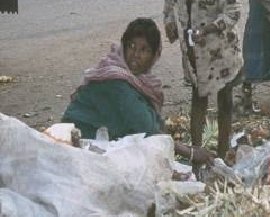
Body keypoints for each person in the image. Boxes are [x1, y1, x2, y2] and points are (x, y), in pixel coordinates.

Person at [62, 18, 215, 165]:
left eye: (144, 50)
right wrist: (191, 153)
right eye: (131, 46)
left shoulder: (135, 80)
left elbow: (150, 122)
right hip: (80, 144)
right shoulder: (117, 82)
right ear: (123, 47)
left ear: (155, 55)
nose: (136, 55)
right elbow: (146, 130)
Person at [163, 0, 242, 163]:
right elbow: (169, 2)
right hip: (194, 52)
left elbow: (233, 12)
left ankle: (221, 153)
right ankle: (197, 152)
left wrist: (209, 29)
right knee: (197, 99)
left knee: (224, 100)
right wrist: (170, 24)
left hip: (222, 51)